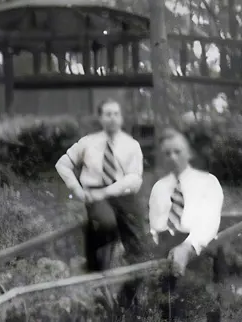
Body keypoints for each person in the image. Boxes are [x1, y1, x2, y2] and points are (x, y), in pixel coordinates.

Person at [54, 98, 147, 311]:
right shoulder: (88, 142)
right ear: (101, 117)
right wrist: (77, 189)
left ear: (121, 117)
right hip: (96, 196)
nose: (112, 118)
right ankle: (95, 263)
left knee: (142, 252)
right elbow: (62, 164)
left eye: (116, 114)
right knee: (106, 223)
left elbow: (135, 179)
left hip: (124, 196)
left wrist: (108, 191)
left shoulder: (131, 145)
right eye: (108, 114)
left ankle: (124, 303)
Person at [148, 127, 224, 321]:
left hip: (199, 249)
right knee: (170, 311)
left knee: (200, 308)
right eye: (167, 153)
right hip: (167, 251)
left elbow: (209, 223)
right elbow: (155, 226)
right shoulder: (159, 188)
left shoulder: (208, 182)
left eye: (177, 152)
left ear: (189, 153)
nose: (172, 157)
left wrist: (187, 247)